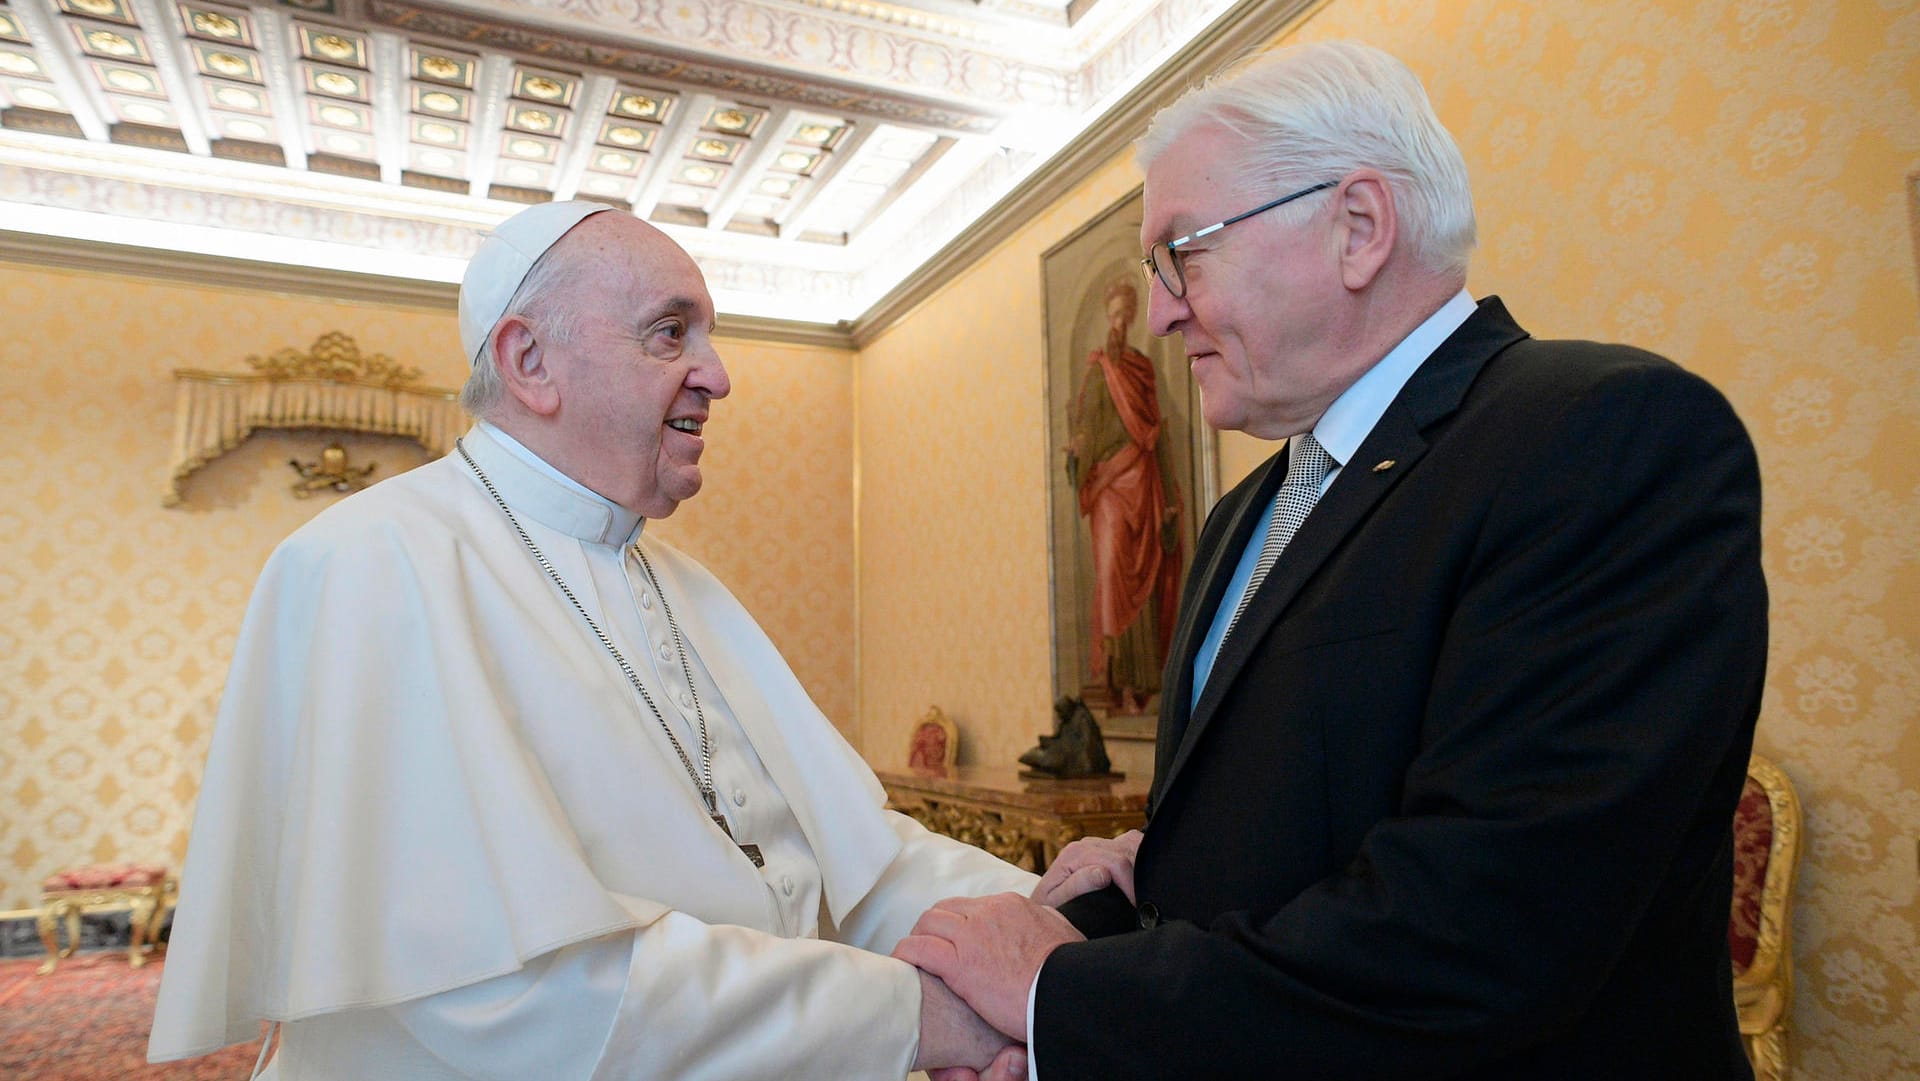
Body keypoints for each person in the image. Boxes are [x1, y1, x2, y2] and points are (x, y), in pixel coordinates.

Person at [898, 40, 1768, 1080]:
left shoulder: (1601, 437)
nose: (1165, 309)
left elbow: (1483, 928)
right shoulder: (1243, 516)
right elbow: (1277, 832)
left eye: (1186, 251)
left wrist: (1058, 996)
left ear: (1358, 228)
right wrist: (1108, 898)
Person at [149, 200, 1046, 1080]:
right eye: (670, 334)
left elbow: (857, 864)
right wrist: (919, 1016)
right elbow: (508, 997)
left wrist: (1058, 929)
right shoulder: (370, 564)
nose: (718, 375)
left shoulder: (686, 585)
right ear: (530, 361)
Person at [1064, 278, 1183, 715]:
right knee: (1114, 574)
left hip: (1144, 479)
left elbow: (1157, 429)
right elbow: (1087, 431)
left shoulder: (1142, 369)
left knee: (1145, 576)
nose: (1119, 324)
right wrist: (1078, 450)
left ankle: (1142, 681)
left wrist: (1170, 491)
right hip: (1112, 486)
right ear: (1106, 317)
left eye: (1125, 317)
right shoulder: (1099, 370)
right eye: (1114, 316)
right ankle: (1112, 677)